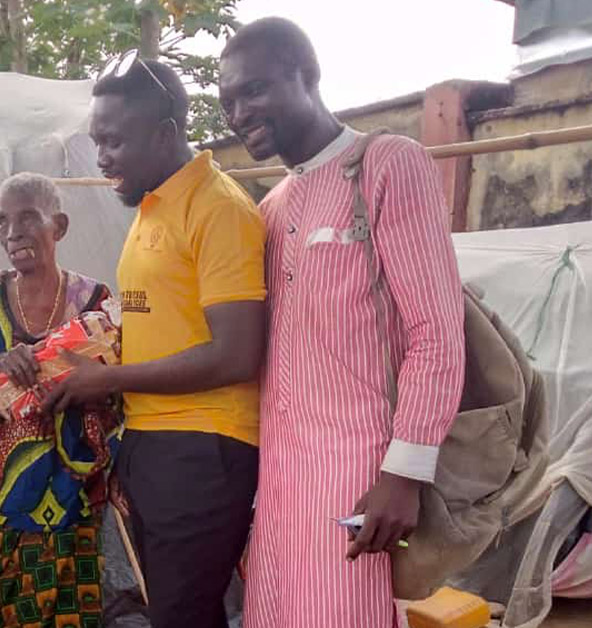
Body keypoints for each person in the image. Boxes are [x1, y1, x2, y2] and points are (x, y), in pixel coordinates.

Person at [219, 17, 467, 628]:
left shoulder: (386, 164)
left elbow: (436, 332)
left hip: (361, 478)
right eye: (227, 102)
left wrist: (403, 474)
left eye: (253, 90)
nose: (238, 113)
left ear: (307, 74)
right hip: (280, 479)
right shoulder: (271, 207)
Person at [44, 59, 267, 628]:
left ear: (165, 134)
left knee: (178, 615)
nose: (102, 158)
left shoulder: (218, 209)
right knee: (181, 612)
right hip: (153, 441)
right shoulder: (150, 207)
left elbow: (237, 352)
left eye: (114, 141)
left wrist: (109, 378)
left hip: (203, 448)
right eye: (97, 142)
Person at [0, 172, 122, 628]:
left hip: (69, 496)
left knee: (67, 616)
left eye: (27, 218)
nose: (12, 232)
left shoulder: (95, 302)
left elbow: (118, 388)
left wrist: (86, 382)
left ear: (58, 226)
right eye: (2, 222)